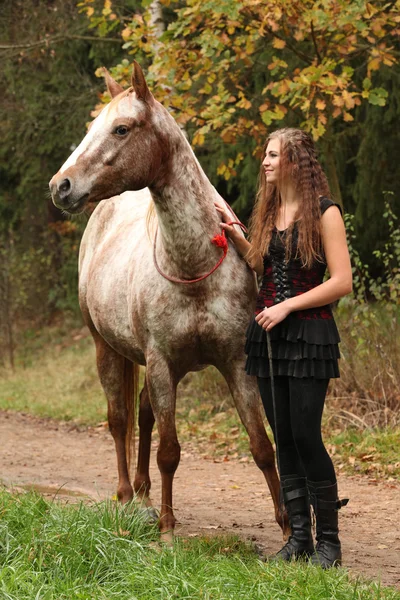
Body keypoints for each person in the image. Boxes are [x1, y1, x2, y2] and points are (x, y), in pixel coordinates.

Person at [216, 127, 352, 568]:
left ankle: (329, 543)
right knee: (284, 440)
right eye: (266, 155)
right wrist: (235, 231)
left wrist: (287, 307)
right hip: (268, 339)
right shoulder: (269, 209)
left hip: (310, 335)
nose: (266, 162)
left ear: (296, 161)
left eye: (274, 155)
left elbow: (341, 282)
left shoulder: (325, 213)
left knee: (306, 435)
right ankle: (300, 539)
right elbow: (261, 262)